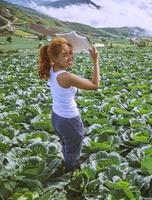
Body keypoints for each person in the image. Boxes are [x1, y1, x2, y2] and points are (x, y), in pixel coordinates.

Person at [38, 37, 100, 172]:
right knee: (73, 151)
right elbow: (95, 85)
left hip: (57, 117)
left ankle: (67, 165)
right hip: (69, 120)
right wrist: (95, 61)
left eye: (70, 53)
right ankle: (70, 175)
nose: (70, 57)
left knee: (66, 145)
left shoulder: (51, 68)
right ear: (54, 57)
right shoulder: (66, 77)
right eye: (64, 55)